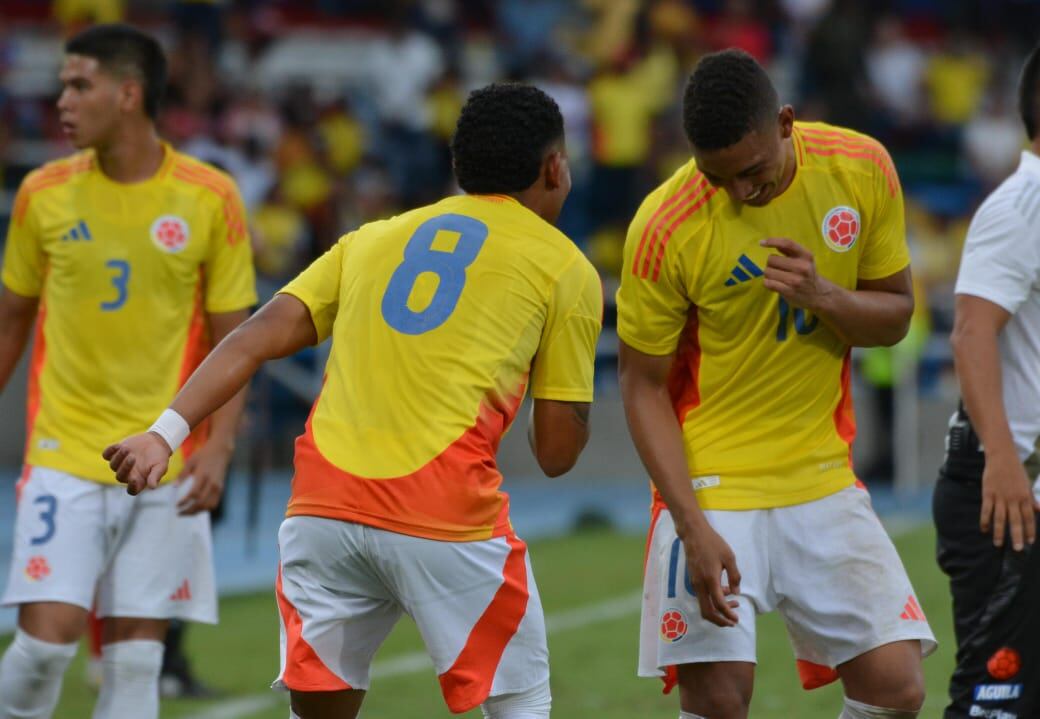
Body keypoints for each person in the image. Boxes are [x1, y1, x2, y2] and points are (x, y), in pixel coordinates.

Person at [104, 82, 602, 719]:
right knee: (521, 702)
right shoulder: (565, 268)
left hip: (322, 512)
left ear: (459, 168)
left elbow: (254, 336)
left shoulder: (371, 238)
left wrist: (162, 434)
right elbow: (557, 453)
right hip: (445, 517)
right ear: (555, 167)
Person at [616, 49, 936, 719]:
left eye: (752, 171)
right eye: (717, 176)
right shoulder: (664, 225)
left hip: (819, 473)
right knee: (721, 700)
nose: (738, 192)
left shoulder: (862, 168)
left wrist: (824, 294)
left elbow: (895, 318)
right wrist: (689, 523)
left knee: (898, 688)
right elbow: (642, 386)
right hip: (712, 482)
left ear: (785, 122)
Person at [0, 24, 256, 719]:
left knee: (137, 663)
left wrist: (220, 448)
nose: (61, 100)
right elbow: (11, 319)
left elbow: (238, 340)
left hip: (168, 458)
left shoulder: (210, 197)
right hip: (63, 451)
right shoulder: (42, 194)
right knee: (44, 651)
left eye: (79, 84)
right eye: (63, 84)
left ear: (129, 93)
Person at [934, 43, 1040, 719]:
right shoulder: (1022, 206)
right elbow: (971, 332)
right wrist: (1002, 458)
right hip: (1006, 488)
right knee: (995, 702)